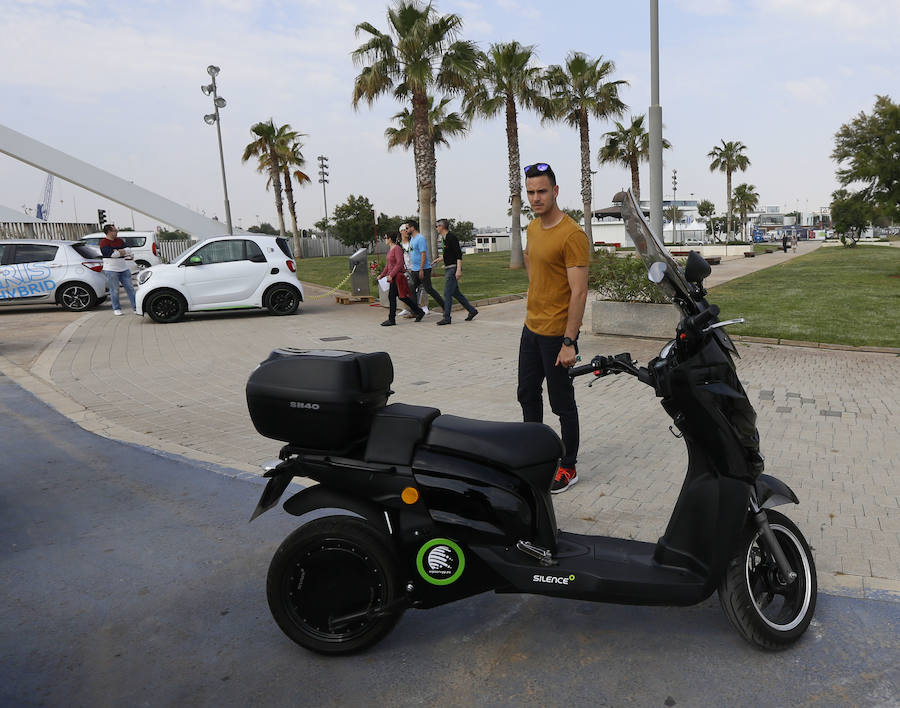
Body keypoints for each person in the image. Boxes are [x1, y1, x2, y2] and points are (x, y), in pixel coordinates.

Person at [518, 162, 590, 494]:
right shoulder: (532, 228)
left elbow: (579, 291)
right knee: (527, 394)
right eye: (531, 192)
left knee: (562, 404)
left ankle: (569, 466)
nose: (536, 197)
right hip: (531, 329)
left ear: (556, 191)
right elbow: (533, 262)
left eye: (542, 191)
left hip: (556, 337)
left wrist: (569, 341)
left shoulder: (572, 234)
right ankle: (533, 458)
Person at [434, 218, 477, 325]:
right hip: (448, 268)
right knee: (456, 293)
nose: (436, 228)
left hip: (453, 269)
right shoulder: (444, 238)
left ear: (442, 226)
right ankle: (472, 311)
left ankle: (447, 317)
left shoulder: (451, 237)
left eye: (437, 226)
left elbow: (458, 254)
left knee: (447, 293)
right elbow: (449, 253)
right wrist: (440, 259)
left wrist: (458, 270)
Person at [378, 233, 424, 326]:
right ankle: (419, 312)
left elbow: (399, 263)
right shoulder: (390, 249)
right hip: (393, 277)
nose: (385, 239)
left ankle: (391, 319)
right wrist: (382, 275)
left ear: (390, 239)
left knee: (392, 297)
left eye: (386, 237)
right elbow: (388, 265)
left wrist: (391, 275)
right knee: (402, 297)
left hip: (397, 276)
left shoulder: (397, 249)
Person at [406, 220, 445, 314]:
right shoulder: (412, 239)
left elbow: (423, 254)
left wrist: (421, 269)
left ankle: (445, 306)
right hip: (414, 269)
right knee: (411, 290)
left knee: (429, 289)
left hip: (423, 269)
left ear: (412, 228)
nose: (406, 230)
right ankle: (415, 312)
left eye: (407, 228)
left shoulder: (420, 238)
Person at [99, 224, 136, 315]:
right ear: (109, 232)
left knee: (130, 289)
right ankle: (116, 308)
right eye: (114, 230)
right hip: (111, 270)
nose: (117, 232)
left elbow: (129, 250)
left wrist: (118, 251)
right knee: (114, 290)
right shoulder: (104, 243)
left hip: (124, 268)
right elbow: (111, 255)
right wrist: (121, 252)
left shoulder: (119, 240)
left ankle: (136, 307)